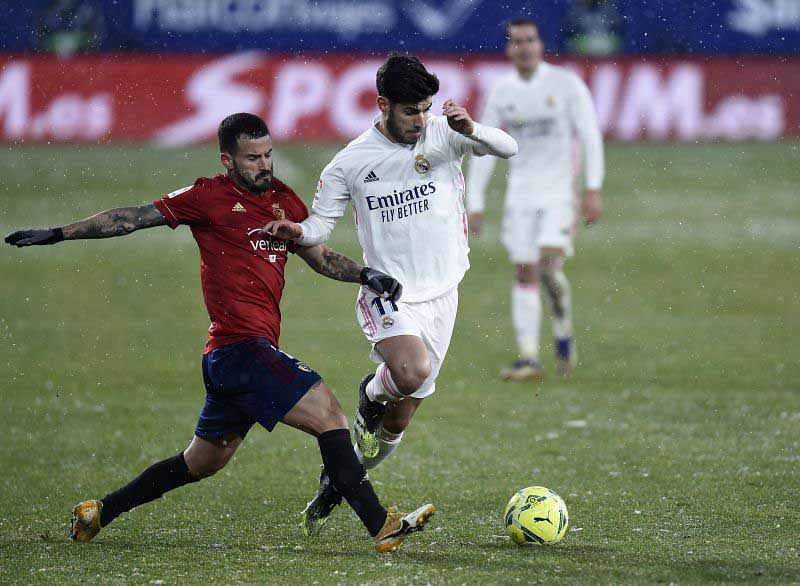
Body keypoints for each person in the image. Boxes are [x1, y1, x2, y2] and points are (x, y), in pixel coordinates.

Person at [4, 113, 434, 553]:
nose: (265, 165)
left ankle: (98, 512)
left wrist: (366, 275)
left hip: (235, 358)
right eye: (252, 158)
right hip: (239, 349)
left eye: (268, 154)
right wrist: (59, 233)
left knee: (201, 462)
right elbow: (130, 218)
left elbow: (321, 258)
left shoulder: (285, 202)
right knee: (330, 416)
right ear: (227, 160)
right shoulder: (206, 196)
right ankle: (381, 525)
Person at [263, 54, 517, 534]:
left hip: (444, 292)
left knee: (393, 430)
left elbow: (508, 148)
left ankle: (339, 482)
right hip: (388, 292)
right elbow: (320, 225)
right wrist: (297, 229)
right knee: (410, 369)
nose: (421, 121)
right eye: (410, 112)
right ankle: (371, 390)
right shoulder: (351, 163)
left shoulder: (445, 133)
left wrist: (473, 127)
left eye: (425, 109)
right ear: (382, 105)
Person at [466, 18, 605, 381]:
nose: (524, 47)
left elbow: (590, 135)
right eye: (517, 41)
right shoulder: (503, 92)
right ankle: (529, 357)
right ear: (509, 49)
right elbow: (483, 145)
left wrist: (592, 187)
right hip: (520, 195)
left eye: (530, 40)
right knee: (525, 270)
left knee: (548, 264)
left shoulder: (565, 84)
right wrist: (475, 202)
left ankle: (562, 334)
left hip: (560, 192)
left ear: (540, 44)